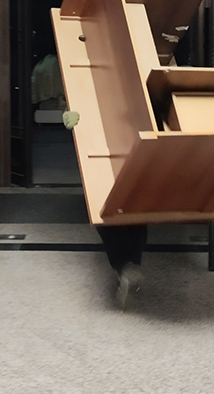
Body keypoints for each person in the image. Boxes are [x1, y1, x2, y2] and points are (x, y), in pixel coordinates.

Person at [63, 110, 147, 309]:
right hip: (124, 137)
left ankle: (125, 267)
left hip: (115, 139)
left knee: (107, 208)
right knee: (133, 207)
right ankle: (130, 267)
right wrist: (70, 110)